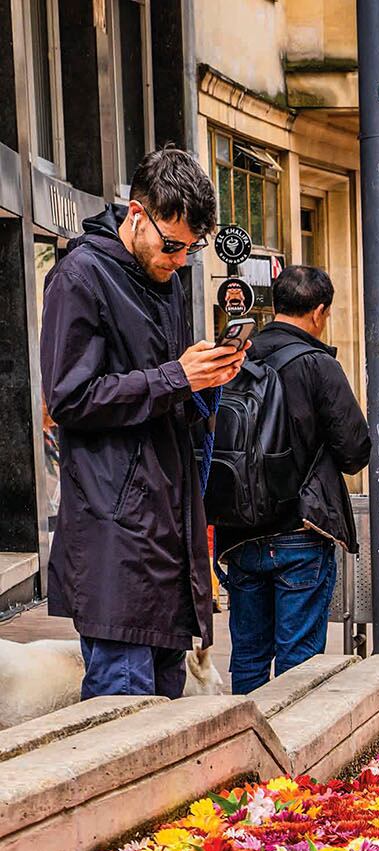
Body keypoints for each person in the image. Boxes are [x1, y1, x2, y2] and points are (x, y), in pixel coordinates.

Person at [39, 146, 242, 700]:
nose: (178, 260)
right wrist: (178, 377)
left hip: (166, 536)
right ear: (136, 213)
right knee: (122, 725)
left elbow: (167, 392)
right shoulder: (78, 276)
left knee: (167, 734)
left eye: (190, 250)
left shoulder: (168, 281)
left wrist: (208, 376)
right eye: (171, 245)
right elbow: (68, 398)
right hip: (115, 540)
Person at [215, 264, 371, 695]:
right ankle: (289, 755)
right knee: (298, 659)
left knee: (247, 654)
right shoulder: (318, 365)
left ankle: (245, 752)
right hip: (300, 530)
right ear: (319, 311)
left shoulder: (234, 356)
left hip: (239, 530)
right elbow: (355, 451)